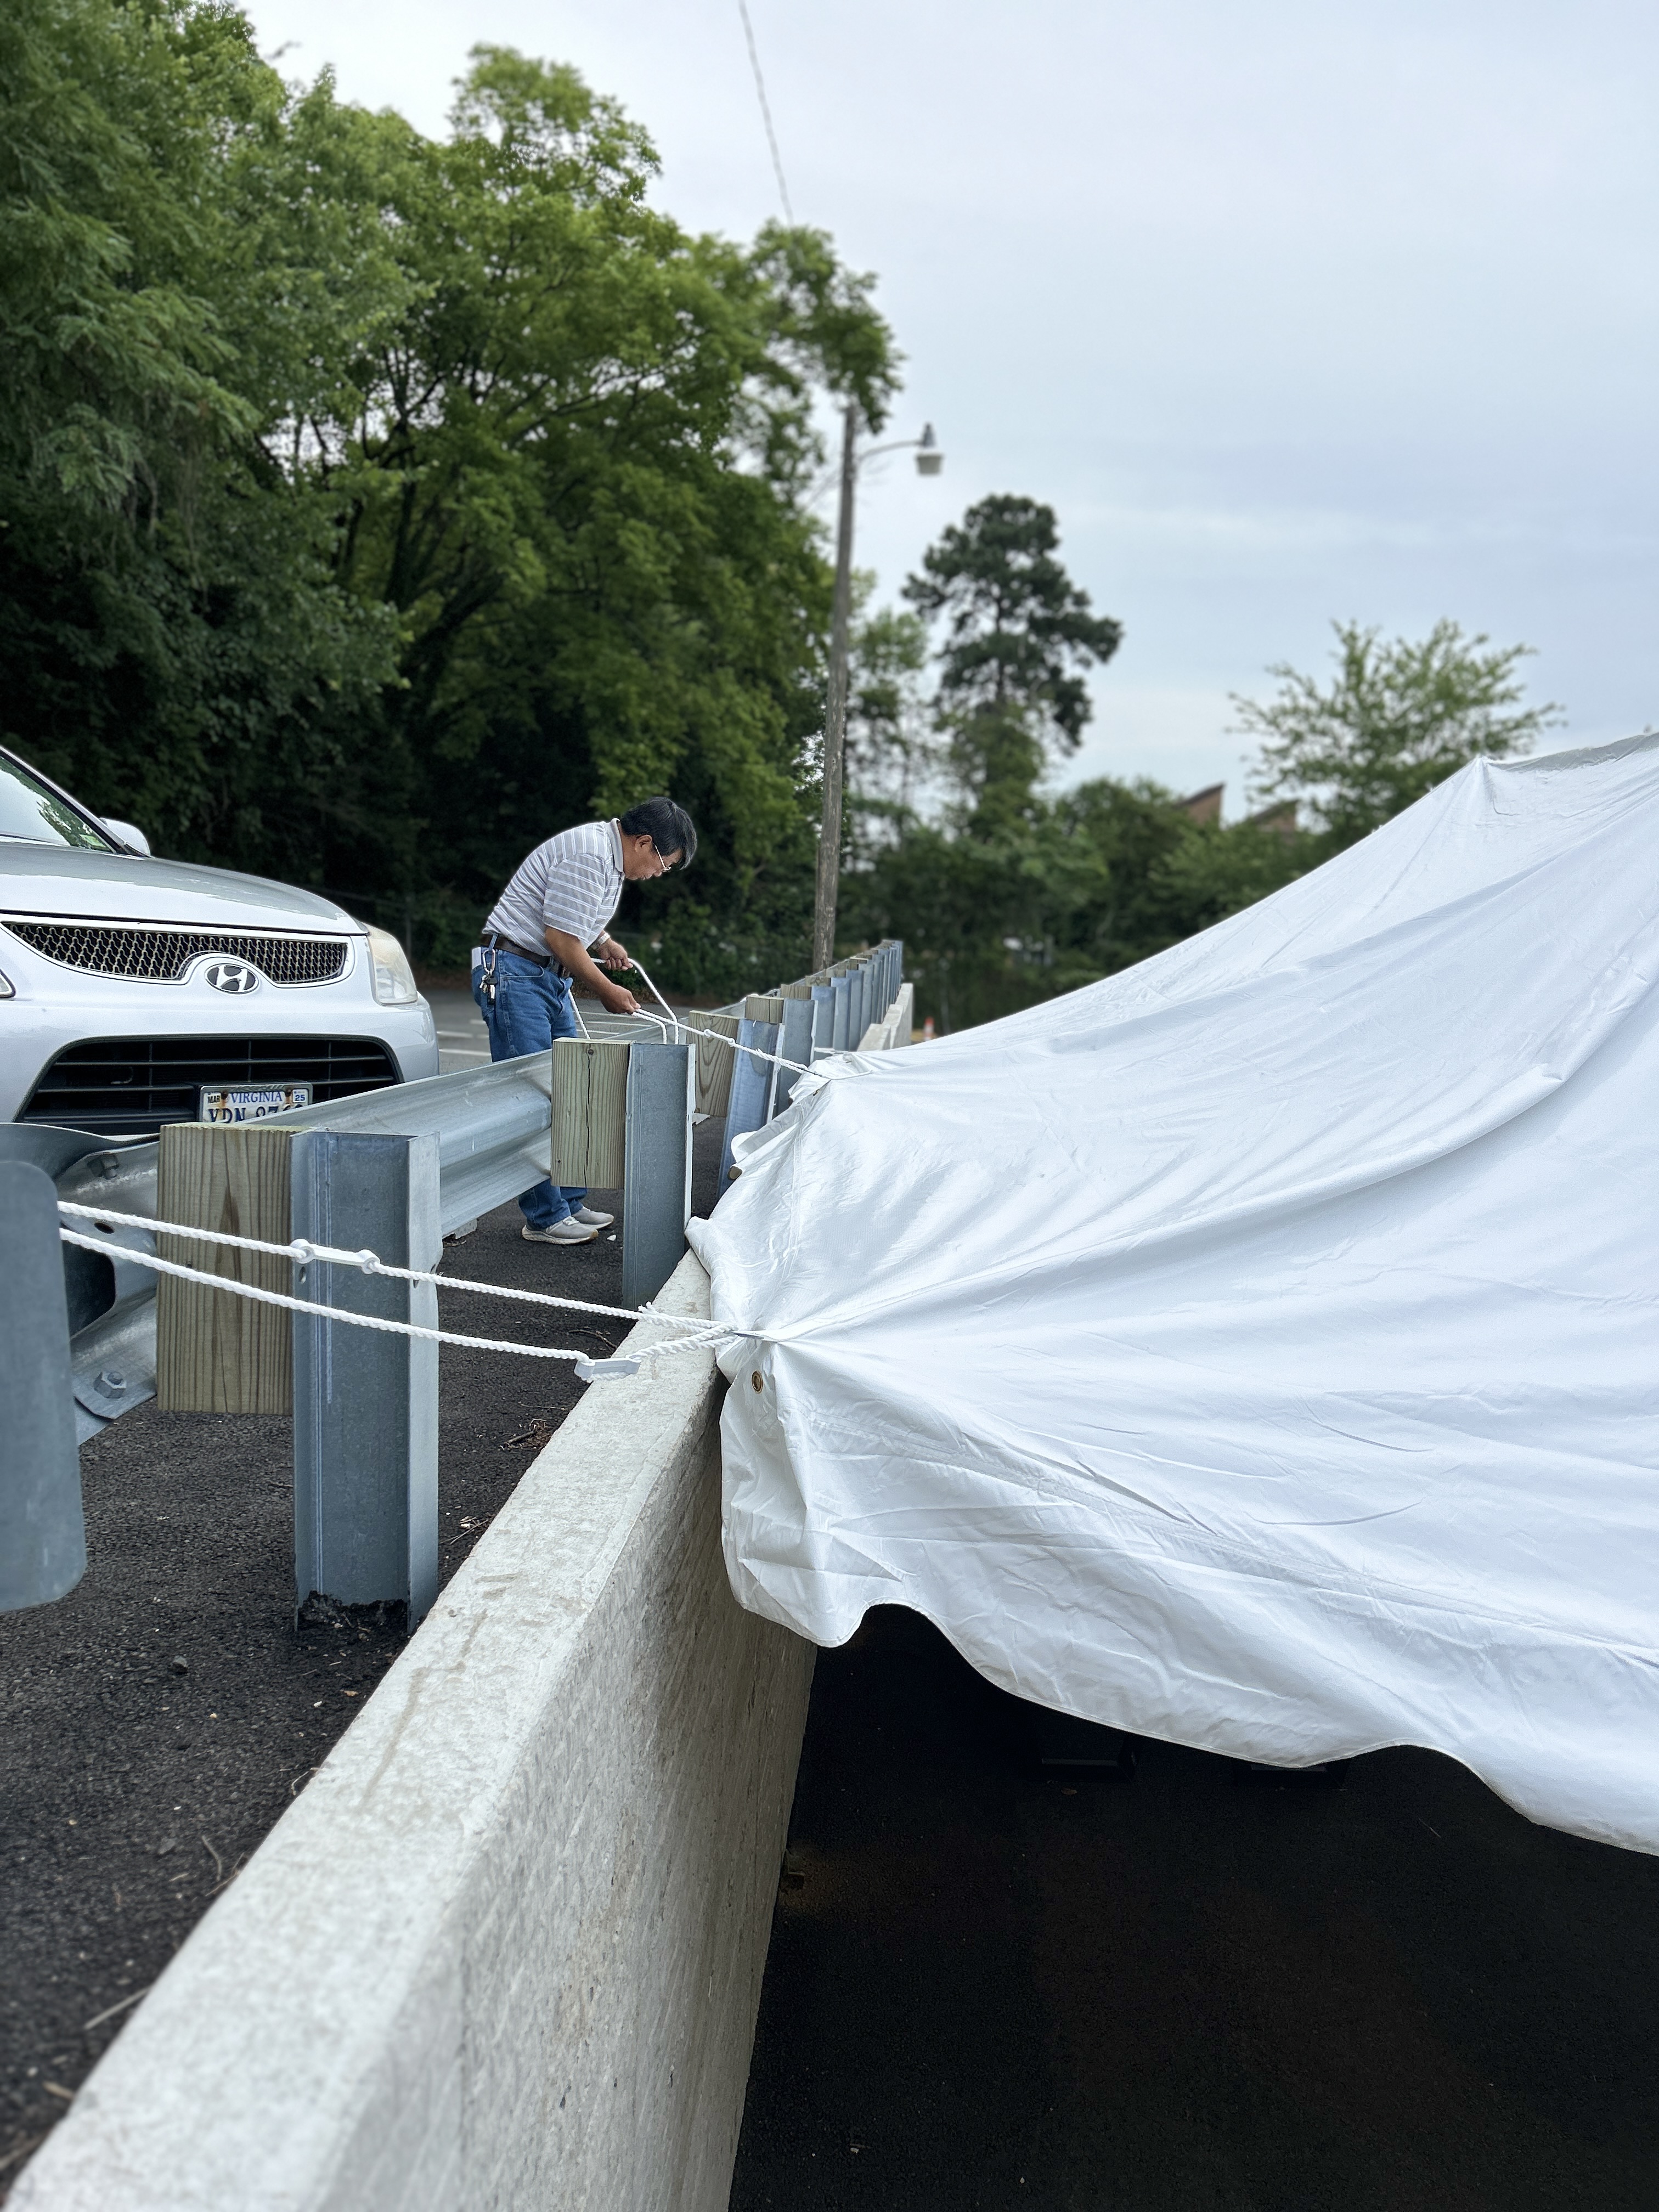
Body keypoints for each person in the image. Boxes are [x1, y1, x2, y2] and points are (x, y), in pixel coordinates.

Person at [472, 797, 697, 1245]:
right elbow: (560, 937)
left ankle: (570, 1203)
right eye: (664, 864)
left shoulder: (608, 859)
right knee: (536, 1095)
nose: (659, 873)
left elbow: (571, 914)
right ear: (644, 843)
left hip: (544, 976)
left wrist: (605, 941)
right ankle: (545, 1217)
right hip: (518, 974)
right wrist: (605, 990)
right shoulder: (590, 855)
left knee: (573, 1086)